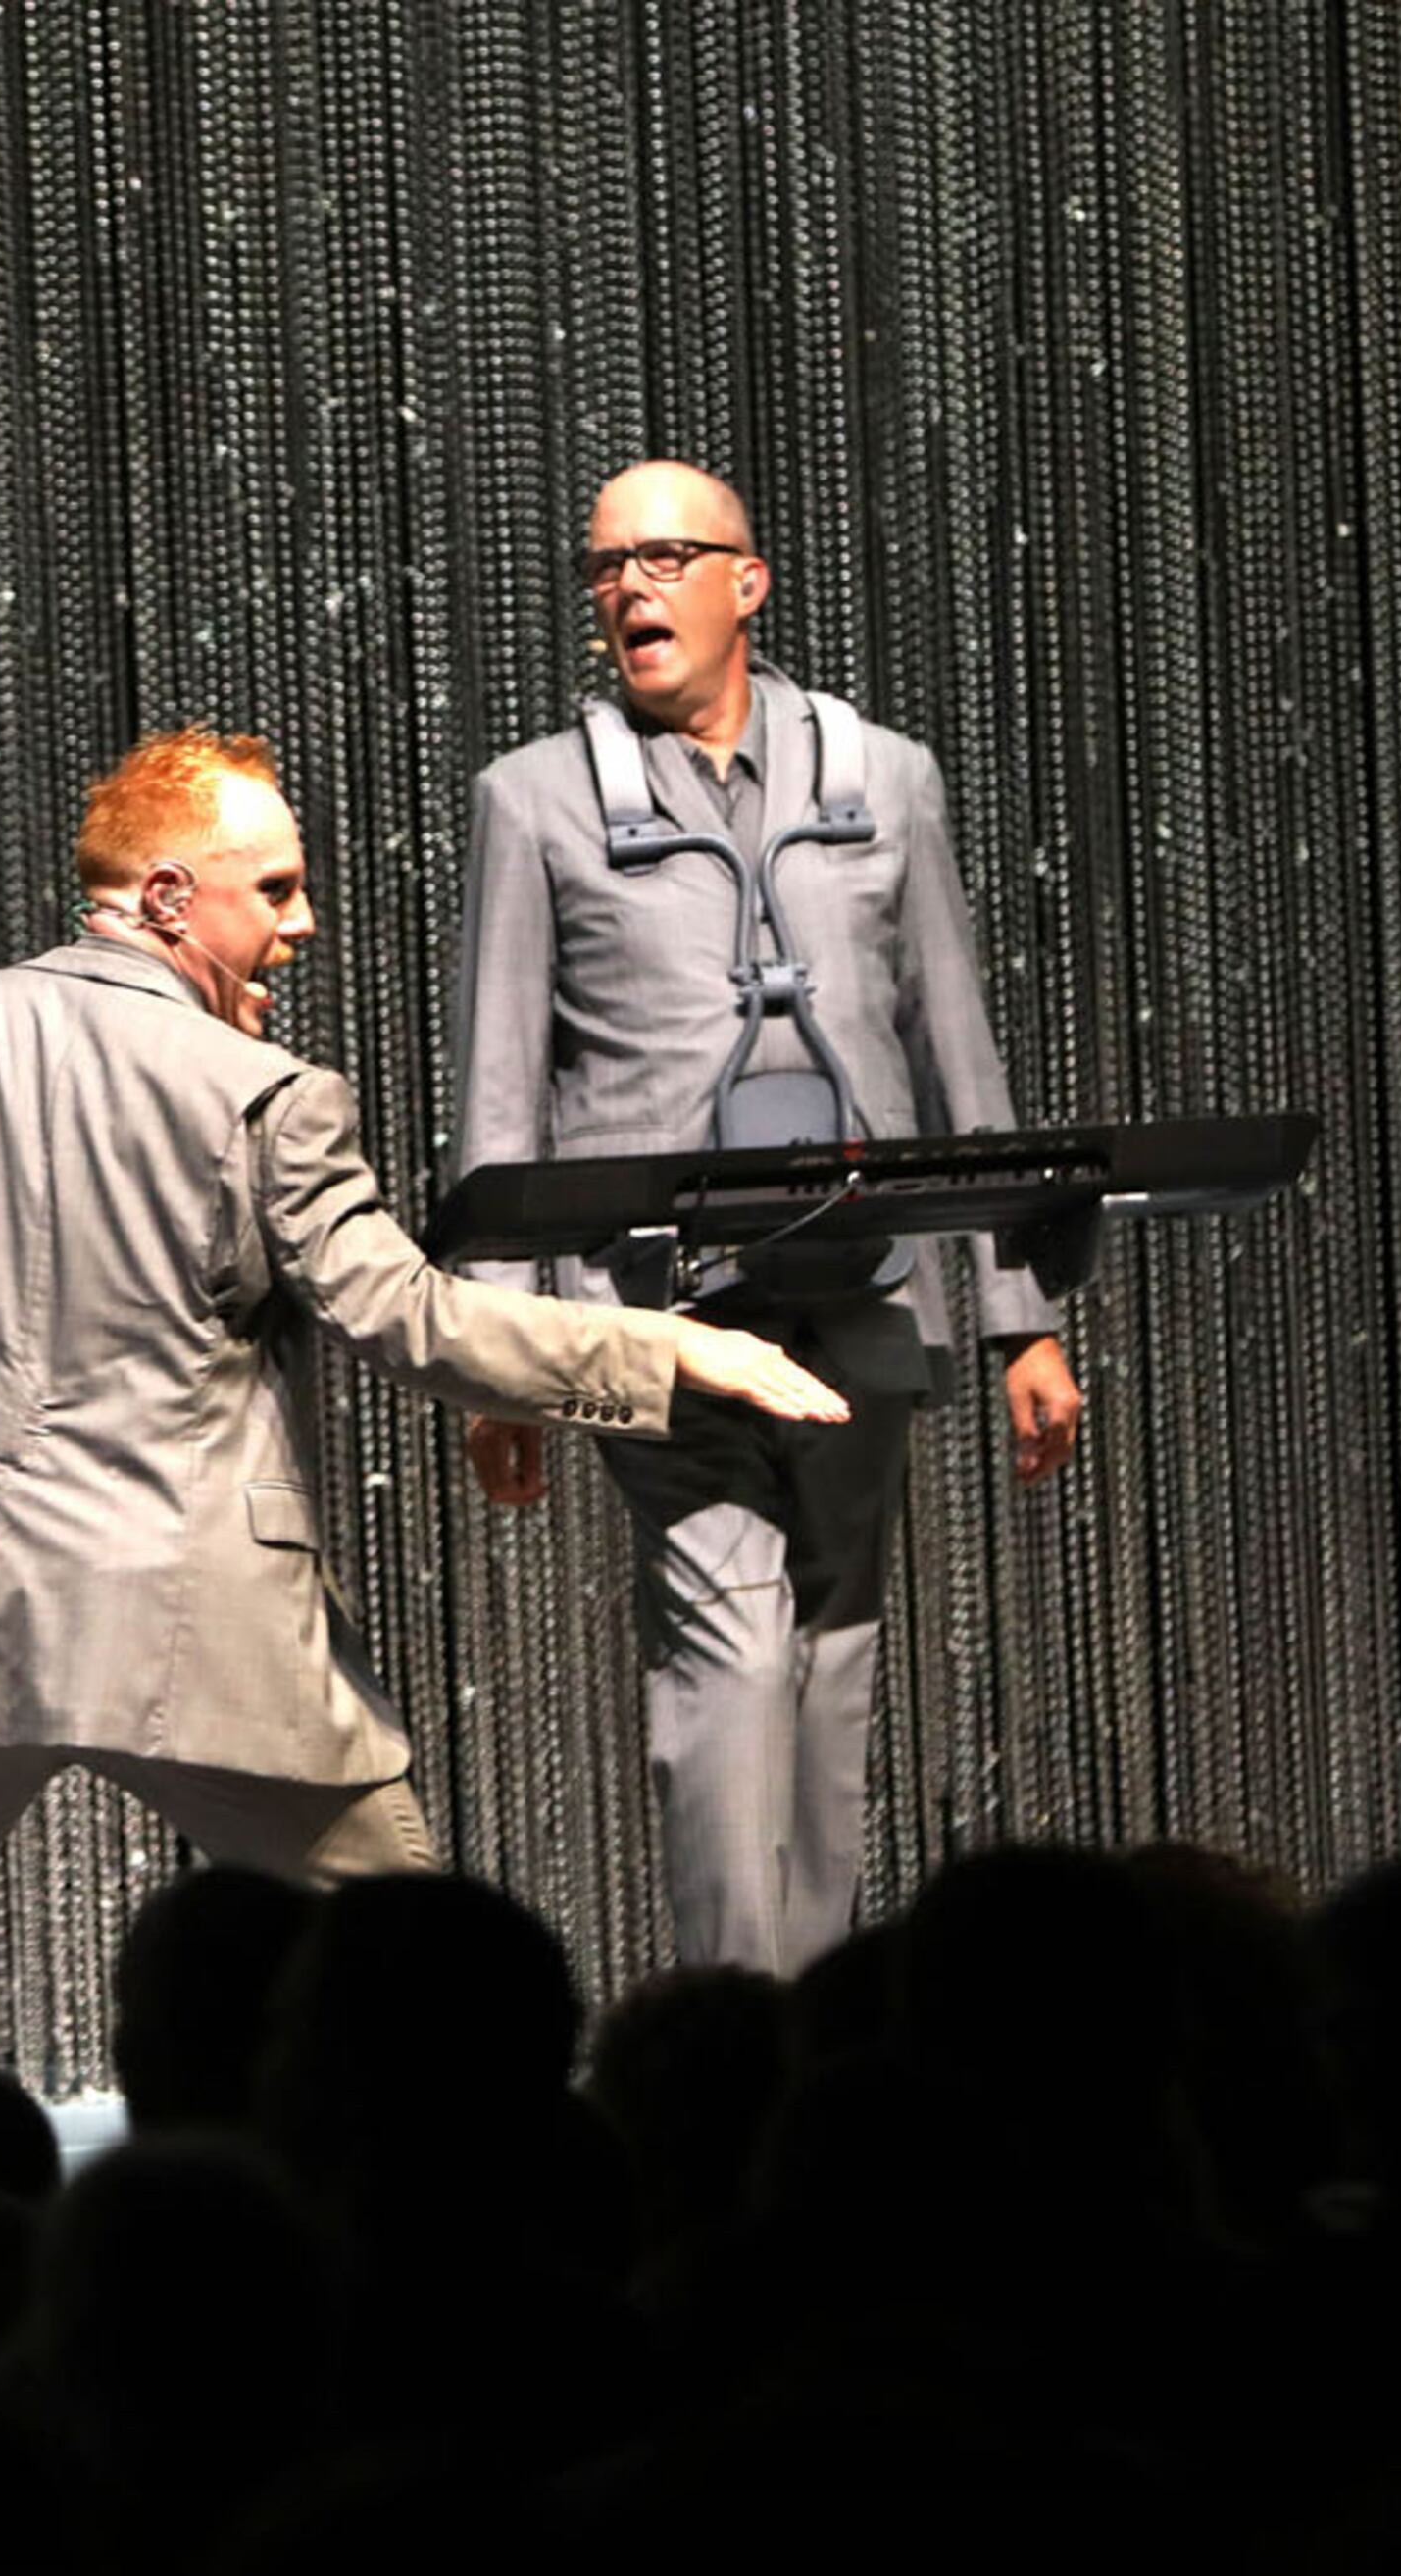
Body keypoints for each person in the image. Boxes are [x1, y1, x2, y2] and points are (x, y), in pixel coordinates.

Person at [0, 729, 847, 1921]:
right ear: (171, 900)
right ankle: (444, 2161)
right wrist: (666, 1346)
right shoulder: (268, 1094)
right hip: (192, 1611)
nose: (301, 924)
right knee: (400, 1960)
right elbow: (405, 1318)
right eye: (278, 891)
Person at [448, 461, 1086, 1976]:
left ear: (750, 581)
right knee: (731, 1639)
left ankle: (809, 2022)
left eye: (664, 556)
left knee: (838, 1648)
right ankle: (737, 2030)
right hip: (657, 1311)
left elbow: (960, 1052)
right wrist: (502, 1352)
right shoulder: (534, 799)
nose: (628, 589)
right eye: (603, 566)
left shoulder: (889, 778)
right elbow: (498, 1089)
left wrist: (1020, 1318)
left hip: (865, 1293)